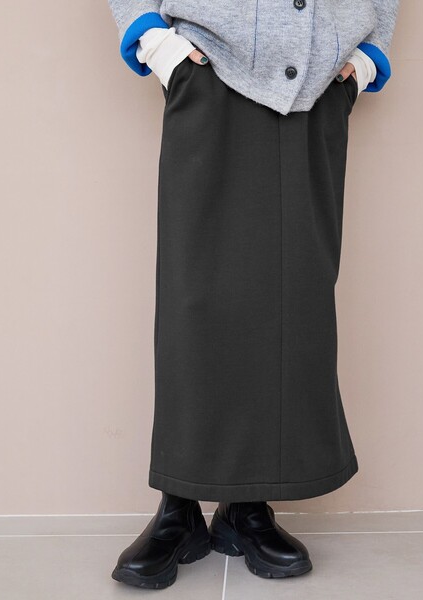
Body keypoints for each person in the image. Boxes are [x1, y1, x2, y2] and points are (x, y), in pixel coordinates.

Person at [106, 0, 400, 590]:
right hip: (210, 66)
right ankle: (179, 507)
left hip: (319, 78)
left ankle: (248, 508)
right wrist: (157, 44)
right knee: (199, 296)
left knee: (293, 299)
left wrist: (369, 55)